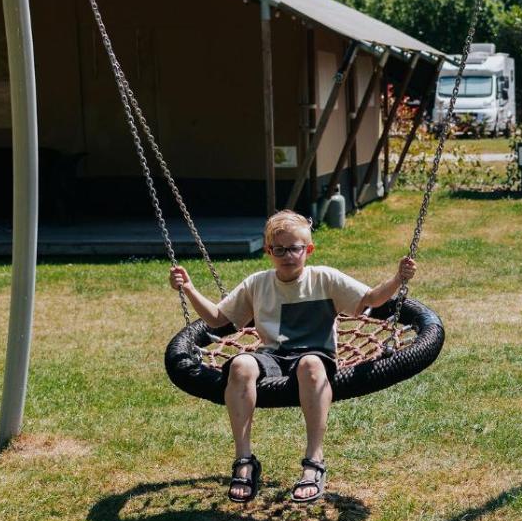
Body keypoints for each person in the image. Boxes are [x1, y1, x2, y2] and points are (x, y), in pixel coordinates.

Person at [169, 210, 416, 503]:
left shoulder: (324, 278)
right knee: (241, 364)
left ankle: (314, 460)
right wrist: (189, 289)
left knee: (310, 365)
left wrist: (398, 278)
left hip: (315, 354)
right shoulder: (257, 283)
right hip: (272, 356)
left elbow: (370, 300)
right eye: (279, 250)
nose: (288, 256)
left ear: (308, 250)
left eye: (295, 249)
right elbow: (216, 319)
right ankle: (244, 460)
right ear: (268, 251)